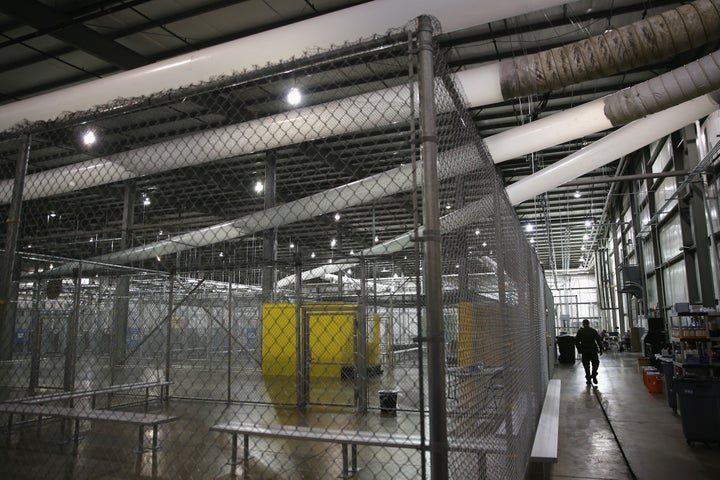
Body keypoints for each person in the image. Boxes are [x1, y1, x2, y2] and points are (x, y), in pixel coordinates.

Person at [575, 319, 603, 385]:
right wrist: (601, 349)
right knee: (596, 363)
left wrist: (579, 349)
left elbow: (576, 342)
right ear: (589, 323)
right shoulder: (593, 331)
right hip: (593, 350)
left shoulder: (580, 331)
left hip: (584, 351)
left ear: (583, 324)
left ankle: (588, 379)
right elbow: (598, 340)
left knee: (586, 366)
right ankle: (594, 374)